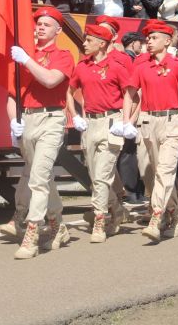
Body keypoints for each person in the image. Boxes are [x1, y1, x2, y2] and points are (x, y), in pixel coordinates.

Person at [7, 7, 75, 259]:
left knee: (38, 177)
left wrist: (26, 60)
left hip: (51, 119)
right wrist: (13, 120)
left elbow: (49, 80)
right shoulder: (26, 54)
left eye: (47, 24)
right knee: (42, 177)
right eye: (39, 23)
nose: (40, 27)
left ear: (58, 29)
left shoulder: (63, 55)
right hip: (29, 119)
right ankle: (58, 225)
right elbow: (12, 93)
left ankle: (33, 231)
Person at [122, 20, 178, 241]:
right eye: (148, 38)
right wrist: (127, 120)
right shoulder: (142, 66)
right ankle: (174, 214)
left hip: (172, 121)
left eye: (154, 38)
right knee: (157, 173)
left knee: (164, 171)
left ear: (167, 40)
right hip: (149, 122)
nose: (149, 41)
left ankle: (156, 216)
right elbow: (130, 94)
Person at [66, 24, 128, 243]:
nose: (84, 44)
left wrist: (126, 120)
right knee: (95, 178)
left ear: (102, 43)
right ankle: (116, 208)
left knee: (102, 176)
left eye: (89, 40)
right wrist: (75, 116)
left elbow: (130, 94)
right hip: (90, 124)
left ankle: (99, 220)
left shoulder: (117, 66)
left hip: (112, 122)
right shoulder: (82, 66)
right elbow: (70, 90)